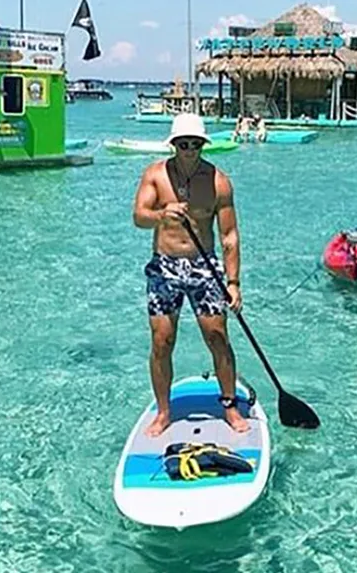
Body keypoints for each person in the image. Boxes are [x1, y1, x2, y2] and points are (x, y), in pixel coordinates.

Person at [132, 113, 248, 437]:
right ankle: (164, 411)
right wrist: (161, 214)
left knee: (217, 336)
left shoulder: (218, 181)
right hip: (165, 265)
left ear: (203, 145)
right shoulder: (155, 175)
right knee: (162, 341)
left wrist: (234, 282)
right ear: (173, 145)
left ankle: (230, 406)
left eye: (195, 144)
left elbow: (229, 235)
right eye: (183, 144)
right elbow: (138, 216)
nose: (189, 150)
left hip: (204, 265)